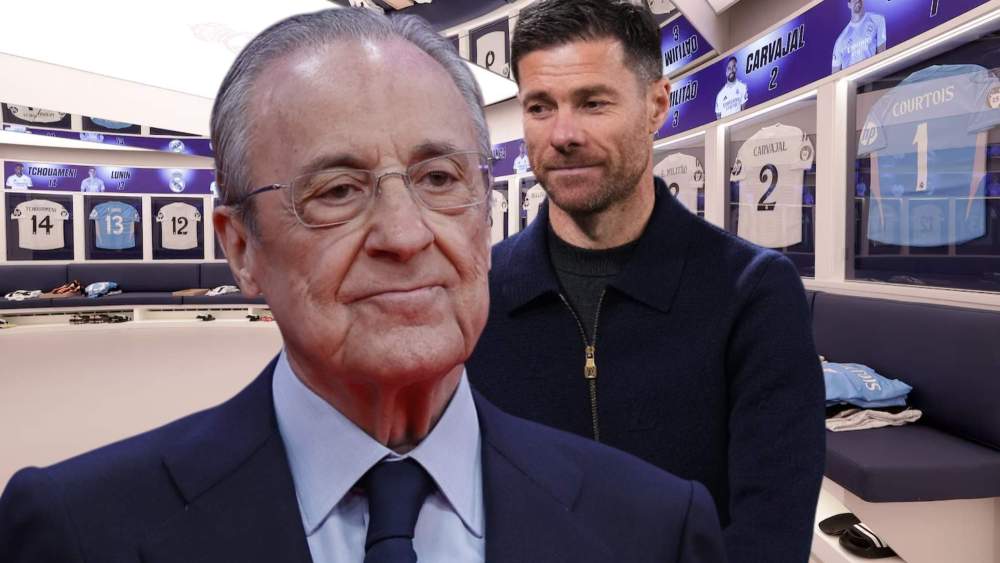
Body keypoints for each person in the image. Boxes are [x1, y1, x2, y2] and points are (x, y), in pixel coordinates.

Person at [0, 8, 726, 563]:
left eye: (439, 178)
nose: (405, 235)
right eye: (338, 191)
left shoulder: (655, 529)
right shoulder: (74, 532)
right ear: (241, 246)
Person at [466, 1, 825, 561]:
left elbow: (770, 534)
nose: (562, 134)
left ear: (657, 105)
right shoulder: (477, 296)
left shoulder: (753, 293)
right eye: (540, 107)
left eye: (593, 103)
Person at [832, 0, 886, 73]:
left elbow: (882, 55)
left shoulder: (877, 20)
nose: (857, 0)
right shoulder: (840, 40)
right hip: (852, 79)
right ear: (849, 4)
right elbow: (835, 75)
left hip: (873, 75)